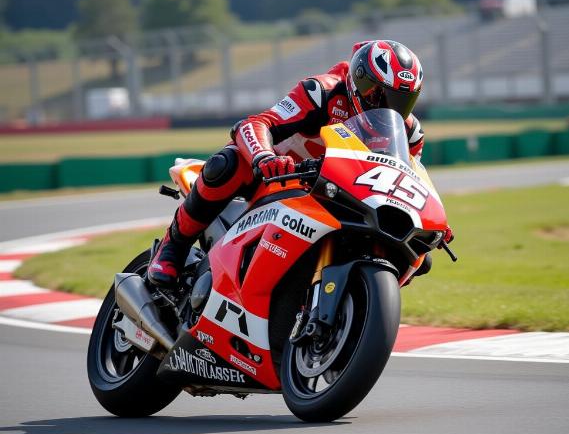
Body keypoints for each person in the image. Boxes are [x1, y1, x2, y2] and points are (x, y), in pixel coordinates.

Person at [148, 39, 449, 287]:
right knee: (226, 164)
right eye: (380, 95)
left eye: (401, 101)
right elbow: (255, 125)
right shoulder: (322, 91)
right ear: (360, 81)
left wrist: (430, 220)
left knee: (415, 253)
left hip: (336, 196)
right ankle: (173, 246)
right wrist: (265, 157)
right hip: (271, 180)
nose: (389, 108)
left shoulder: (409, 132)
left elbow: (407, 180)